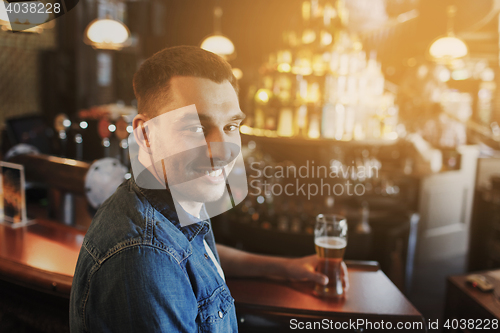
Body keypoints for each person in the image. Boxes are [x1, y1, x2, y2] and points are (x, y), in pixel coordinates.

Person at [70, 45, 348, 333]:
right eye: (197, 129)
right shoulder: (144, 258)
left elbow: (194, 254)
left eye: (230, 127)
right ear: (146, 134)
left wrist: (283, 267)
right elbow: (164, 259)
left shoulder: (171, 197)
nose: (224, 153)